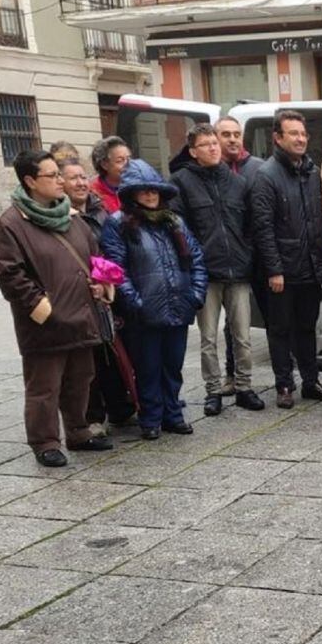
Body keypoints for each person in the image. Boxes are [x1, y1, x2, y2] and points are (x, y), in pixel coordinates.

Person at [0, 150, 113, 467]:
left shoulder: (71, 216)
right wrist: (42, 307)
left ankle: (78, 431)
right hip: (45, 323)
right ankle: (45, 442)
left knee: (81, 377)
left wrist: (102, 283)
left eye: (59, 174)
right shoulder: (11, 223)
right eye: (52, 175)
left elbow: (95, 255)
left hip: (82, 315)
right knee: (44, 387)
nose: (60, 181)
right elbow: (10, 275)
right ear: (31, 181)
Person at [100, 160, 207, 441]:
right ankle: (151, 417)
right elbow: (116, 268)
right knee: (146, 368)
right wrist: (135, 302)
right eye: (143, 191)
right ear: (132, 193)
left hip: (178, 307)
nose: (149, 195)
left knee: (172, 365)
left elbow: (196, 258)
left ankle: (173, 414)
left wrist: (195, 293)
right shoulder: (118, 225)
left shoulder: (175, 222)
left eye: (154, 190)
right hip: (144, 312)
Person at [169, 124, 265, 417]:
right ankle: (213, 391)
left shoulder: (237, 182)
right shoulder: (181, 182)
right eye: (205, 144)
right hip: (205, 273)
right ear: (193, 151)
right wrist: (192, 264)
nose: (213, 148)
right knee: (208, 337)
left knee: (242, 335)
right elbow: (179, 229)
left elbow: (251, 224)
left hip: (238, 270)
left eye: (215, 142)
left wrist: (246, 253)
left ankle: (245, 386)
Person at [251, 110, 322, 409]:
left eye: (303, 134)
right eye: (293, 134)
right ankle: (284, 385)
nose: (300, 139)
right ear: (278, 138)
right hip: (282, 272)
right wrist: (274, 269)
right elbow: (262, 228)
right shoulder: (266, 175)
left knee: (307, 327)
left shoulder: (312, 172)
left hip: (311, 267)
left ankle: (311, 382)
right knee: (280, 330)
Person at [58, 155, 136, 434]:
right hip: (77, 298)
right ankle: (91, 418)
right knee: (86, 363)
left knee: (112, 356)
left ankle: (120, 408)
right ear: (60, 183)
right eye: (72, 178)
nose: (80, 183)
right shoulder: (59, 216)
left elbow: (107, 253)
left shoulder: (100, 211)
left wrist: (106, 285)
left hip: (105, 294)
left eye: (82, 177)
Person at [216, 115, 266, 396]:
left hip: (262, 255)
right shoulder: (211, 171)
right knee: (233, 323)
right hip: (231, 259)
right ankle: (232, 375)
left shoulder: (258, 168)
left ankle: (284, 373)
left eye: (236, 133)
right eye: (226, 134)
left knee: (276, 319)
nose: (233, 139)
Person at [90, 136, 132, 213]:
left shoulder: (136, 186)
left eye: (129, 158)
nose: (128, 164)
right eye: (120, 161)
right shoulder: (92, 192)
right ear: (104, 165)